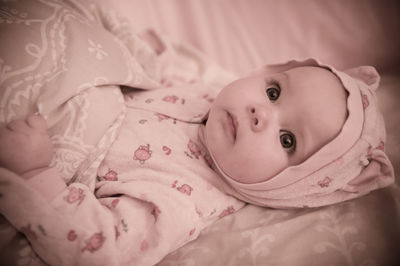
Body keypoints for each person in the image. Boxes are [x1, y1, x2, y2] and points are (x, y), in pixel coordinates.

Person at [0, 54, 395, 265]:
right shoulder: (211, 92)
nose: (262, 113)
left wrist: (36, 173)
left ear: (287, 189)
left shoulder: (181, 201)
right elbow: (163, 59)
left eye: (287, 139)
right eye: (273, 92)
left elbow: (100, 251)